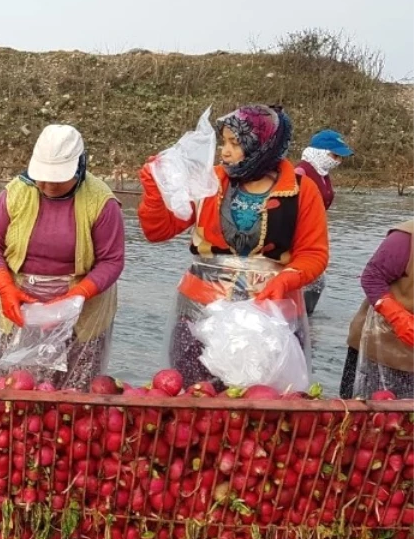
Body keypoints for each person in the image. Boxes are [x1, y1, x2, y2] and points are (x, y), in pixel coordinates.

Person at [138, 104, 329, 386]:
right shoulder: (209, 181)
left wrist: (287, 279)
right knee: (196, 397)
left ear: (262, 146)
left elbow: (313, 253)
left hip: (271, 315)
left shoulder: (302, 190)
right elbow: (159, 231)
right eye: (224, 142)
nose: (224, 152)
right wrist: (155, 193)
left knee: (263, 403)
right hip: (200, 310)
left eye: (235, 143)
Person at [0, 124, 124, 389]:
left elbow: (112, 260)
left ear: (79, 168)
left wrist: (76, 297)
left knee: (75, 392)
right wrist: (4, 286)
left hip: (81, 309)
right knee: (16, 388)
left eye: (57, 178)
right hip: (20, 304)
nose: (47, 185)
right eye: (42, 177)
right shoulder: (16, 193)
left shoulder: (101, 202)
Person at [342, 222, 414, 398]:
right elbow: (372, 277)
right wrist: (397, 316)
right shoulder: (406, 239)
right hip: (380, 347)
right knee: (361, 417)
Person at [295, 129, 354, 316]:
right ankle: (299, 319)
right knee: (311, 280)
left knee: (317, 282)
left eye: (340, 157)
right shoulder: (301, 172)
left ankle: (306, 321)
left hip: (315, 233)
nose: (338, 161)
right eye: (335, 155)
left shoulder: (322, 173)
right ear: (319, 151)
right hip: (300, 236)